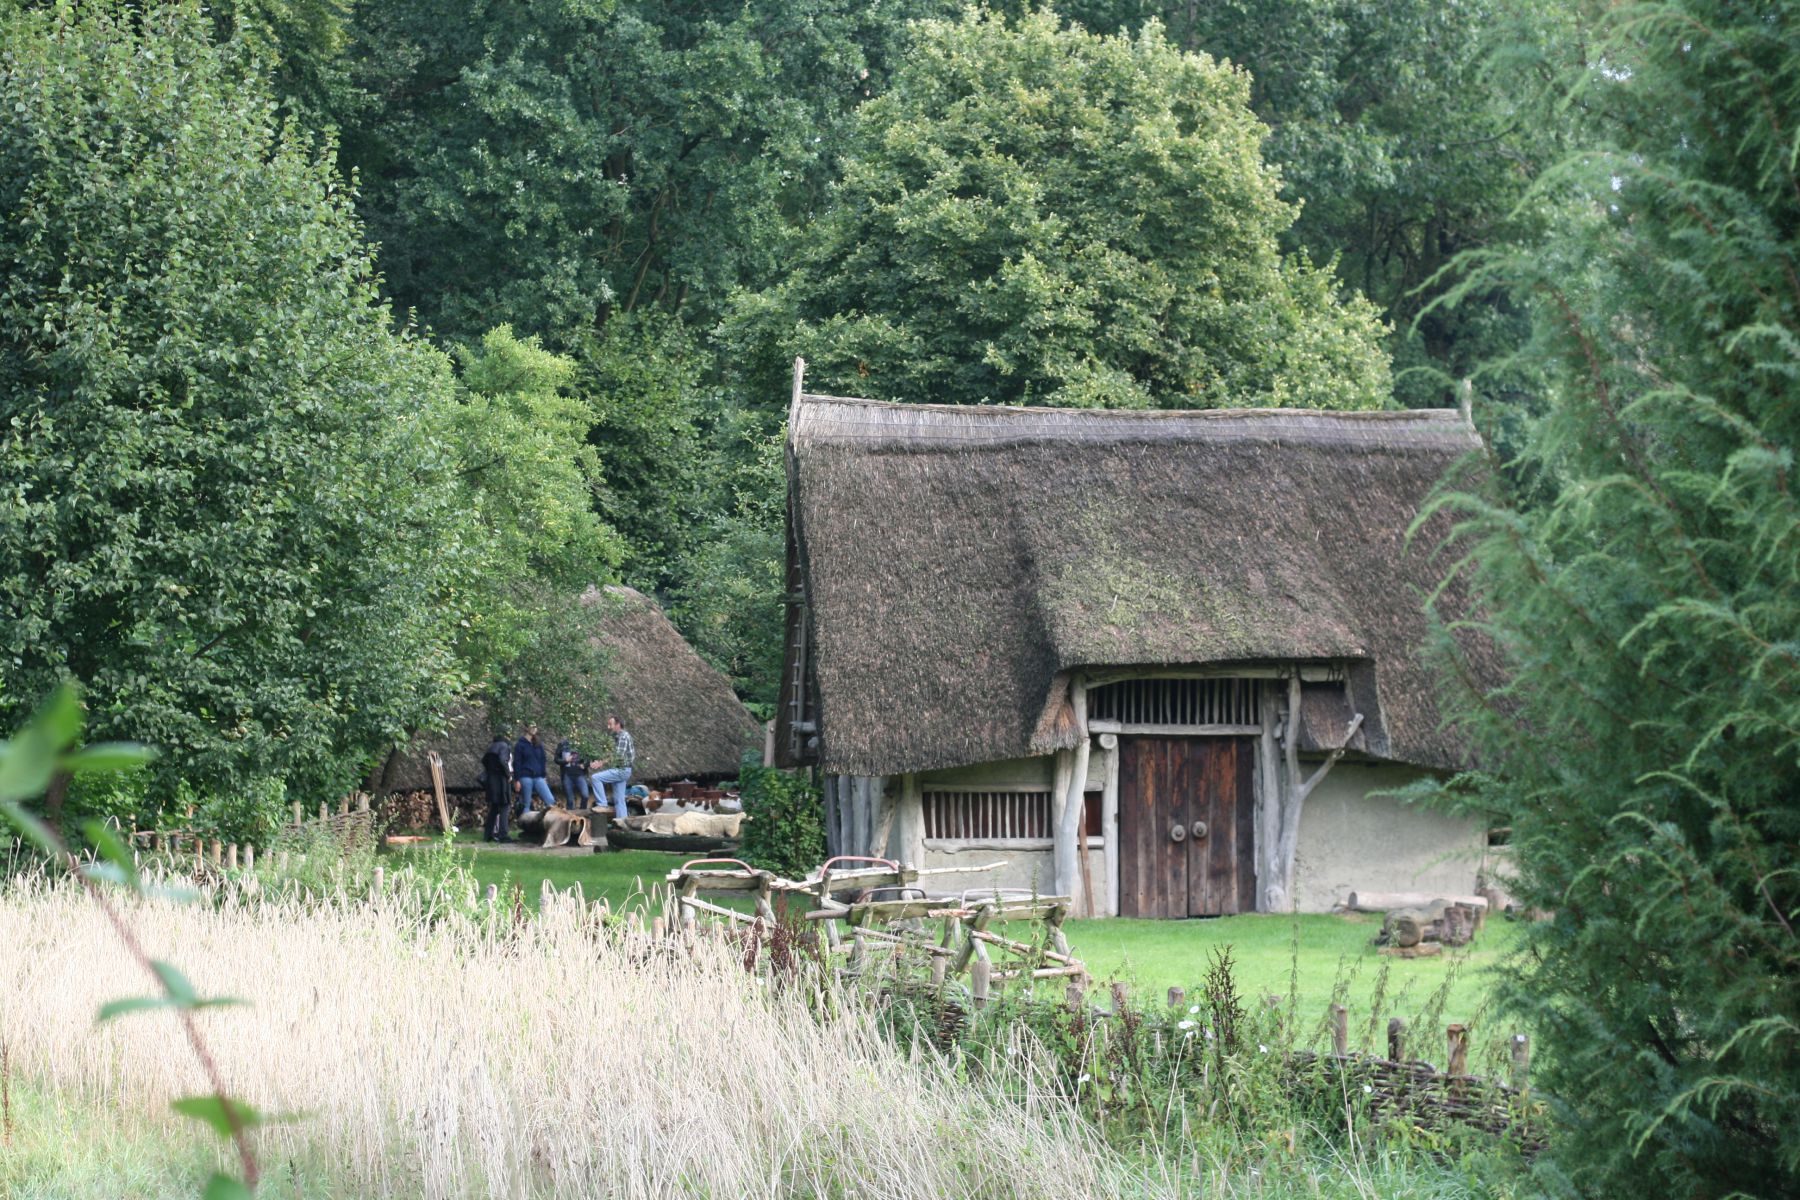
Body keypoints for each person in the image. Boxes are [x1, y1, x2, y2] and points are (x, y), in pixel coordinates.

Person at [590, 714, 635, 820]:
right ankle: (622, 823)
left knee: (595, 778)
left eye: (610, 724)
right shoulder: (618, 737)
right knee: (619, 800)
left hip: (622, 770)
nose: (608, 727)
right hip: (624, 770)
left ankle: (602, 804)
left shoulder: (623, 736)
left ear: (618, 724)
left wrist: (601, 763)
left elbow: (617, 756)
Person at [481, 730, 515, 842]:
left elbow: (484, 761)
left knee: (494, 808)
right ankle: (503, 834)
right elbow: (503, 760)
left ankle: (488, 835)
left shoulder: (491, 747)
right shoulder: (504, 746)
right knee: (505, 806)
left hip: (492, 780)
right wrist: (508, 775)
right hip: (501, 780)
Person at [512, 724, 554, 815]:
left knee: (550, 800)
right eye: (533, 726)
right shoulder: (520, 745)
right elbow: (517, 763)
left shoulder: (538, 744)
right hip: (525, 776)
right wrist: (517, 779)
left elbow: (543, 760)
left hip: (538, 777)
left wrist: (543, 775)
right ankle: (525, 821)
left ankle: (549, 820)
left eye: (536, 727)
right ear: (526, 728)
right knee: (526, 804)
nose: (535, 729)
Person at [555, 735, 590, 809]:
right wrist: (565, 760)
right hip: (567, 775)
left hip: (580, 775)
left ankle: (582, 813)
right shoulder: (562, 744)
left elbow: (589, 759)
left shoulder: (583, 744)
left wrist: (585, 765)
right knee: (570, 800)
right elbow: (556, 759)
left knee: (585, 795)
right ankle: (570, 816)